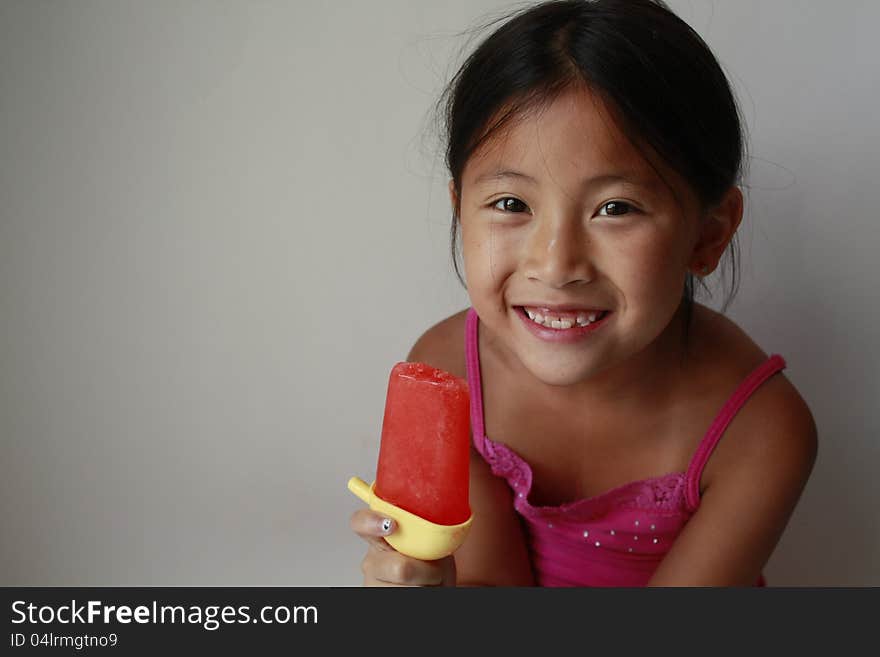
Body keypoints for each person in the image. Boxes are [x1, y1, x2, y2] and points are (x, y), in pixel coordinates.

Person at [350, 0, 817, 586]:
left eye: (615, 209)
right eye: (511, 204)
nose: (557, 263)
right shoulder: (447, 374)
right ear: (459, 210)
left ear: (709, 233)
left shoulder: (760, 429)